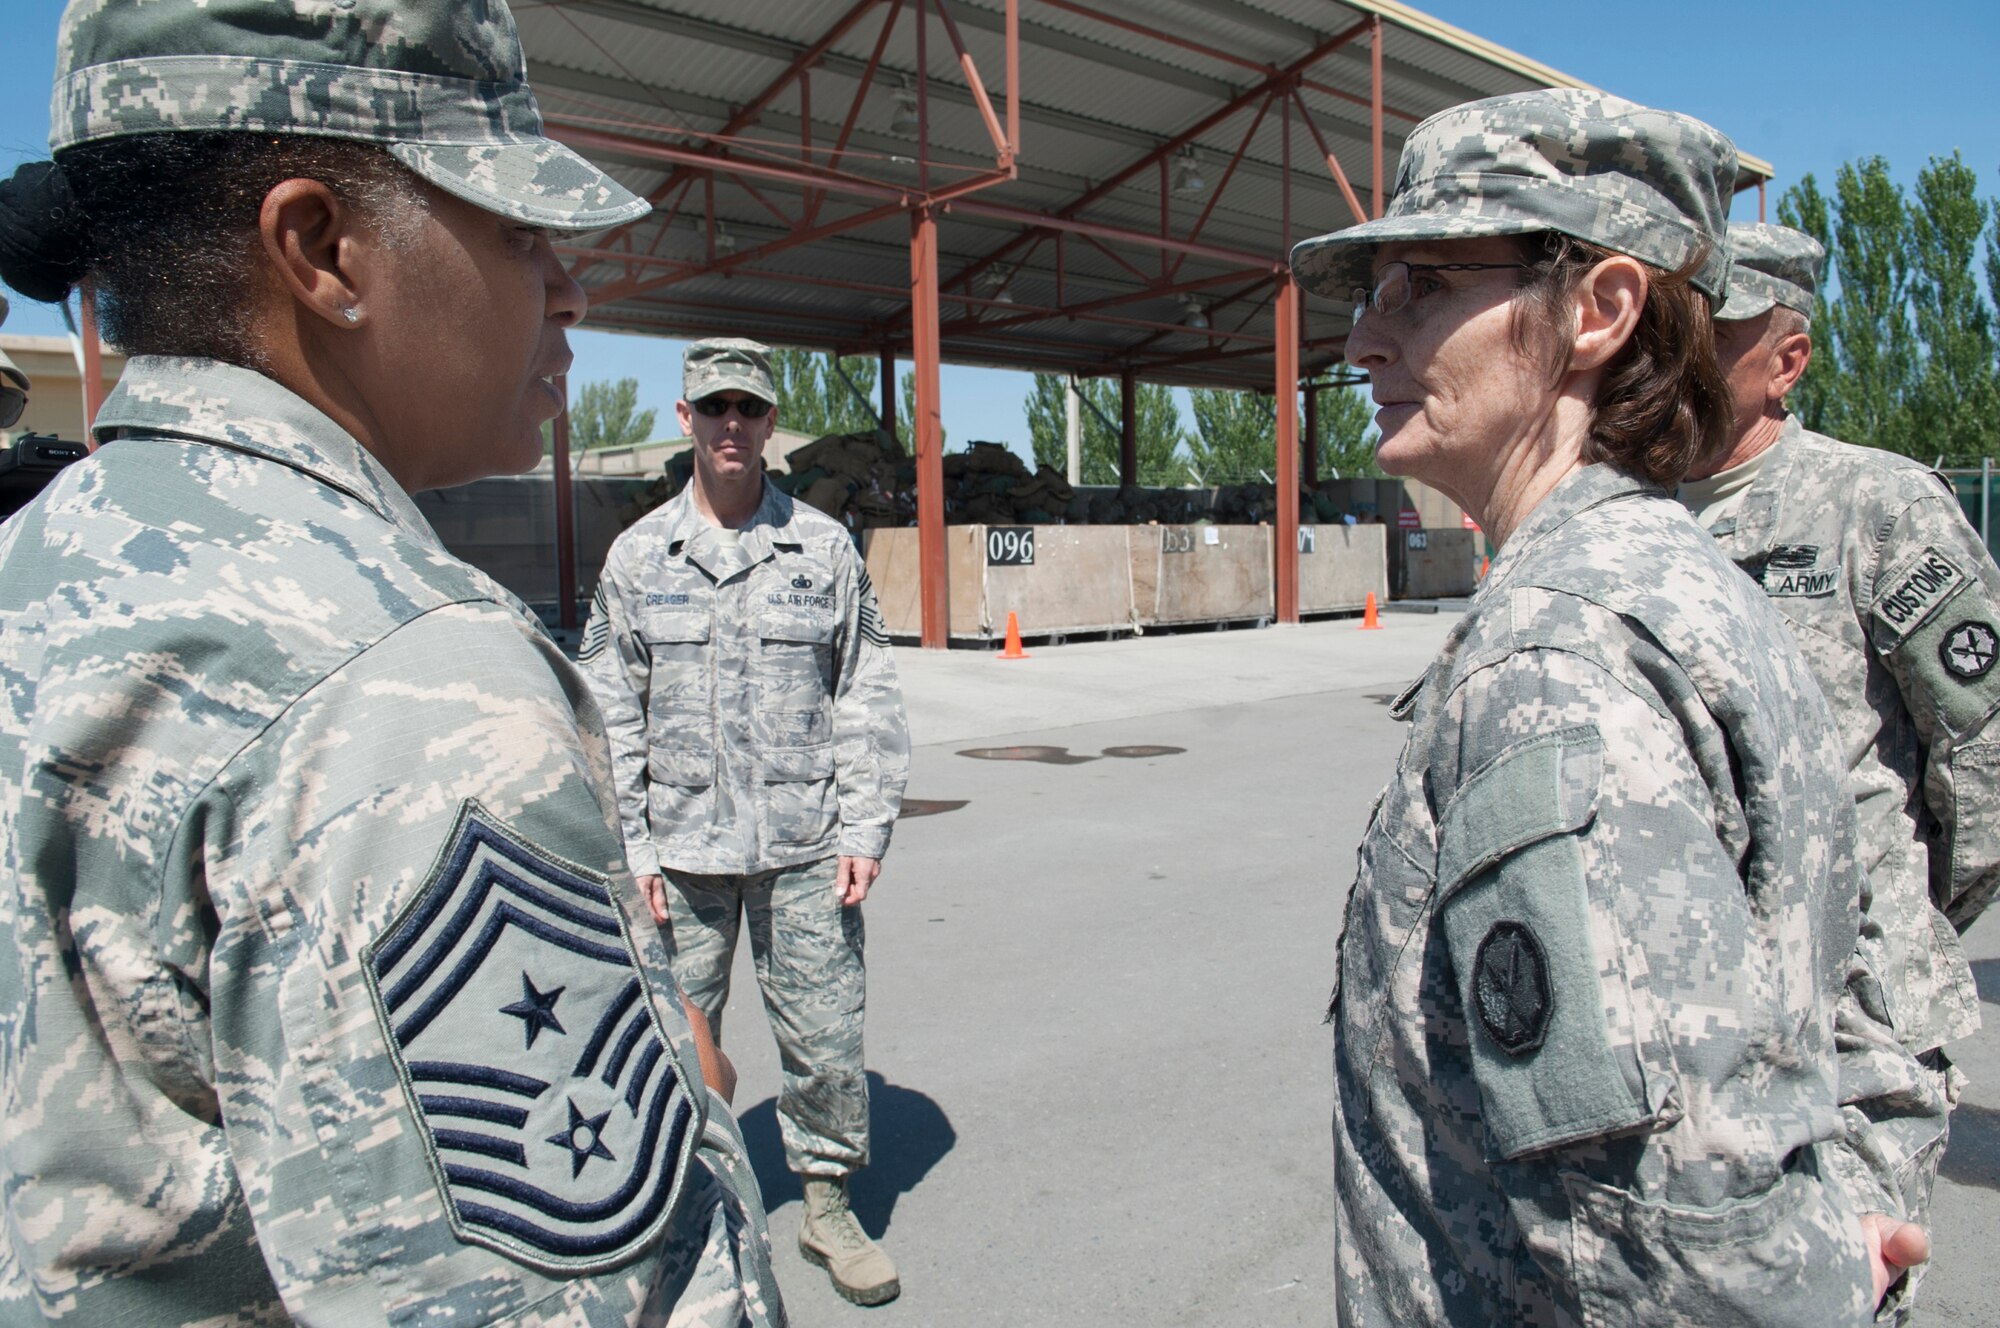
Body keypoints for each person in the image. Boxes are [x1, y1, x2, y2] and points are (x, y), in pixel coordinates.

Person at [0, 2, 783, 1324]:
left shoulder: (45, 559)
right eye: (519, 229)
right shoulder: (406, 676)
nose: (570, 285)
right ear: (322, 248)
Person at [1290, 89, 1944, 1324]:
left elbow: (1658, 1234)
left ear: (1596, 309)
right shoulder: (1678, 577)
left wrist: (1804, 1280)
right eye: (1368, 297)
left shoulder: (1556, 654)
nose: (1364, 344)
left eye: (1420, 285)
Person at [1679, 221, 1998, 1306]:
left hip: (1851, 1016)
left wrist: (1900, 913)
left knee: (1844, 1286)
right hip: (1685, 1007)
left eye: (1711, 336)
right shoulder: (1628, 519)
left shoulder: (1876, 505)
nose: (1677, 359)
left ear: (1785, 358)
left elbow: (1983, 748)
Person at [579, 339, 909, 1307]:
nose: (732, 424)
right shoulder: (638, 558)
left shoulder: (822, 548)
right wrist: (629, 849)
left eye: (749, 408)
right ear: (684, 418)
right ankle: (678, 1202)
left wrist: (866, 824)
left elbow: (865, 687)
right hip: (676, 856)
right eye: (713, 406)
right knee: (667, 1044)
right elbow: (608, 716)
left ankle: (825, 1200)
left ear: (771, 424)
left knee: (825, 1032)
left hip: (804, 844)